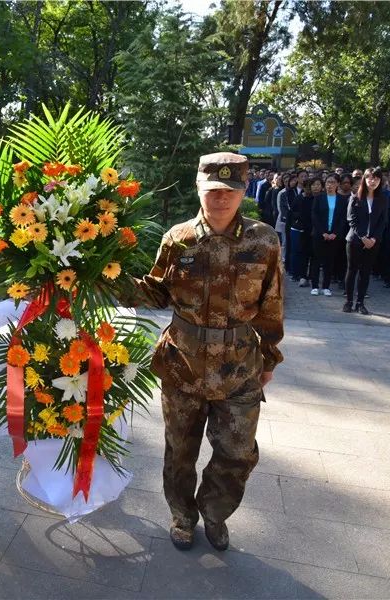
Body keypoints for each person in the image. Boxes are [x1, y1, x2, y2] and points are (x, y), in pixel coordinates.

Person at [131, 152, 284, 552]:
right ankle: (182, 516)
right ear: (199, 189)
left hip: (239, 365)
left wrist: (269, 358)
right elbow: (155, 290)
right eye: (213, 190)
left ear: (244, 190)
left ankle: (214, 513)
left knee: (237, 453)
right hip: (183, 363)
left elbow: (271, 302)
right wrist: (100, 276)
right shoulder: (177, 239)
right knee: (180, 450)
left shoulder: (264, 240)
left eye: (230, 190)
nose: (221, 198)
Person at [344, 167, 387, 315]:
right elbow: (351, 220)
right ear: (364, 179)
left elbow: (383, 221)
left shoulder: (382, 199)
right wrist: (363, 237)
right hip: (355, 240)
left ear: (380, 181)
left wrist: (373, 238)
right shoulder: (355, 197)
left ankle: (360, 302)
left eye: (376, 178)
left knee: (365, 272)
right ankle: (349, 301)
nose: (373, 180)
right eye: (370, 177)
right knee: (352, 270)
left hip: (373, 242)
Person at [309, 175, 347, 297]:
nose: (330, 185)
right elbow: (314, 216)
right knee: (316, 260)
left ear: (337, 184)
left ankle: (326, 286)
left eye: (333, 182)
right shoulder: (319, 198)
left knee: (329, 261)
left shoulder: (341, 199)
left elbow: (343, 218)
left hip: (334, 235)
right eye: (328, 182)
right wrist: (323, 232)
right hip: (320, 234)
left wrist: (335, 233)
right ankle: (315, 286)